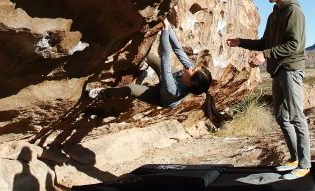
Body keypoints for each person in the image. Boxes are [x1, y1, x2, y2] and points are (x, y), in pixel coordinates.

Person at [226, 0, 310, 180]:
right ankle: (294, 159)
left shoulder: (293, 11)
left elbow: (294, 45)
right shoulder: (274, 15)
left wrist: (265, 54)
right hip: (278, 70)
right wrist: (241, 42)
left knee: (296, 116)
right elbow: (265, 42)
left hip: (290, 68)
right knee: (281, 116)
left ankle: (305, 164)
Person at [89, 20, 221, 123]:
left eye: (192, 70)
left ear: (190, 83)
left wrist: (164, 32)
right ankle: (143, 68)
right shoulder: (189, 73)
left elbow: (165, 57)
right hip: (171, 78)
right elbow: (178, 49)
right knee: (148, 57)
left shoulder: (172, 90)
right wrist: (168, 26)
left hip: (162, 97)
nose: (190, 67)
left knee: (130, 89)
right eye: (194, 67)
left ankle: (104, 93)